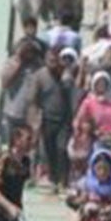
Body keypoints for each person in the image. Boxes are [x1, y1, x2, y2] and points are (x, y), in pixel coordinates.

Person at [32, 44, 76, 189]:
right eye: (49, 59)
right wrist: (34, 121)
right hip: (47, 119)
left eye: (55, 59)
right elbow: (33, 99)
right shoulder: (40, 76)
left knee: (62, 149)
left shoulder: (67, 74)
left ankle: (64, 181)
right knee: (49, 150)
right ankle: (53, 178)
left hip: (64, 119)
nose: (52, 62)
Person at [0, 119, 36, 221]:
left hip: (16, 213)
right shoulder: (4, 159)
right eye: (28, 139)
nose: (31, 143)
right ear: (16, 140)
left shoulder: (26, 161)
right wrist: (8, 207)